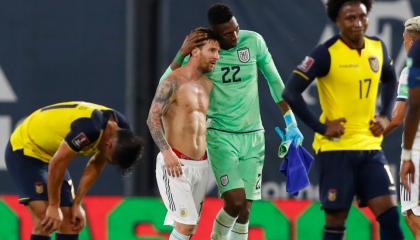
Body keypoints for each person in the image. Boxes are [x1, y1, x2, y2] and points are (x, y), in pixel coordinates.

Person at [162, 4, 304, 240]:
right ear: (215, 34)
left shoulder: (253, 42)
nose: (235, 36)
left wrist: (290, 120)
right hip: (220, 136)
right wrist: (181, 53)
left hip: (254, 136)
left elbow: (275, 81)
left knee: (245, 211)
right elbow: (164, 85)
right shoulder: (204, 52)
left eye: (236, 29)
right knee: (235, 202)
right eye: (228, 34)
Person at [282, 0, 403, 239]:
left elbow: (390, 79)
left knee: (389, 216)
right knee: (336, 224)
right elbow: (290, 92)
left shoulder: (378, 47)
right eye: (350, 17)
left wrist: (386, 115)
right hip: (336, 151)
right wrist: (321, 127)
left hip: (370, 147)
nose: (358, 23)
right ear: (337, 20)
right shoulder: (326, 52)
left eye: (362, 16)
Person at [5, 101, 144, 240]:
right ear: (110, 144)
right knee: (45, 219)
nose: (105, 160)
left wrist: (77, 204)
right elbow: (57, 163)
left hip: (52, 156)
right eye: (108, 158)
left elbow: (95, 164)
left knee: (71, 222)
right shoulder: (89, 129)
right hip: (26, 149)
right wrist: (54, 206)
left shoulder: (122, 132)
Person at [147, 28, 220, 240]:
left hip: (202, 165)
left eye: (218, 51)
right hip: (175, 164)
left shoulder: (208, 84)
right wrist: (167, 153)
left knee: (190, 228)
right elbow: (152, 118)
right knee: (185, 226)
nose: (217, 56)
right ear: (195, 52)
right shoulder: (172, 81)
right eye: (212, 50)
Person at [384, 16, 420, 238]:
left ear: (413, 42)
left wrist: (371, 137)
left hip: (416, 154)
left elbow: (398, 117)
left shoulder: (411, 71)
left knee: (413, 217)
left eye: (404, 40)